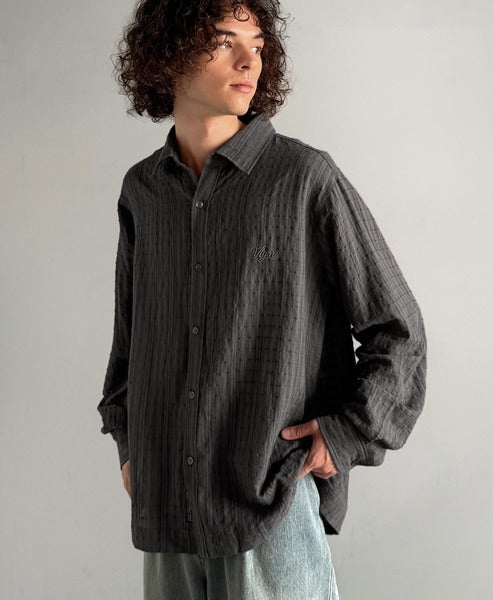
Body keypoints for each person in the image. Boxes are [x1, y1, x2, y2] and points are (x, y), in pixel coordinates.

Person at [97, 1, 427, 599]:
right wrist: (129, 444)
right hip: (167, 508)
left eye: (257, 45)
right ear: (170, 51)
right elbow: (130, 341)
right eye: (225, 41)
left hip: (271, 503)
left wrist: (347, 433)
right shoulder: (142, 190)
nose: (249, 60)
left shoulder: (304, 179)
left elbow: (398, 331)